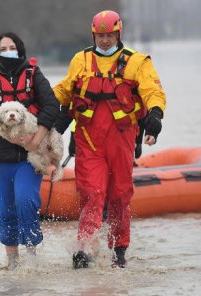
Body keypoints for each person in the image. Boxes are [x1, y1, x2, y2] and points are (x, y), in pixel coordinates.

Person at [53, 10, 166, 269]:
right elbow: (65, 90)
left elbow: (152, 91)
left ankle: (119, 250)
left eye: (109, 35)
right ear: (94, 35)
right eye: (100, 36)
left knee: (120, 195)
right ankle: (85, 248)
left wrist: (155, 115)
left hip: (122, 140)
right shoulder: (80, 60)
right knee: (92, 193)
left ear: (119, 33)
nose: (105, 40)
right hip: (88, 141)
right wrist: (45, 108)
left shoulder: (137, 62)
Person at [0, 32, 60, 270]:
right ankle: (12, 262)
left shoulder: (33, 73)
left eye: (11, 47)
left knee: (26, 201)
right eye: (3, 48)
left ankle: (33, 258)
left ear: (20, 48)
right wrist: (13, 136)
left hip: (29, 157)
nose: (8, 51)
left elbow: (52, 105)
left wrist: (35, 141)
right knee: (5, 211)